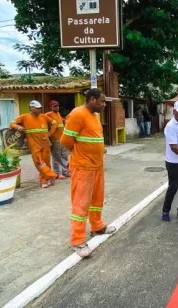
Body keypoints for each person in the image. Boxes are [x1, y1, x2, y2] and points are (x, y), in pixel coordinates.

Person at [60, 88, 116, 257]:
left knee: (97, 199)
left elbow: (92, 138)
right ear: (92, 100)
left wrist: (99, 150)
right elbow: (66, 141)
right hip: (83, 167)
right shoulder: (78, 114)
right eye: (102, 101)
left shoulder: (95, 116)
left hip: (97, 166)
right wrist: (81, 154)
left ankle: (97, 227)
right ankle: (77, 241)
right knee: (81, 203)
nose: (104, 105)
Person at [10, 100, 58, 188]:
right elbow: (12, 123)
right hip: (34, 145)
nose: (39, 110)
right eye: (37, 108)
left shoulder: (44, 116)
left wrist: (50, 133)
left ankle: (46, 179)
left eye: (40, 108)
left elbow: (54, 123)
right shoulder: (24, 117)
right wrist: (18, 127)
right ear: (31, 108)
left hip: (45, 144)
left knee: (47, 163)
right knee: (39, 163)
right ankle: (48, 178)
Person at [45, 100, 70, 179]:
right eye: (55, 106)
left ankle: (65, 171)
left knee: (64, 155)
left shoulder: (58, 114)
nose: (57, 107)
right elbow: (43, 119)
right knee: (56, 156)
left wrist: (65, 120)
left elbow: (61, 120)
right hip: (55, 139)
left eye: (57, 106)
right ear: (51, 107)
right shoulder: (48, 114)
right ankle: (57, 173)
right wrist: (48, 134)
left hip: (62, 139)